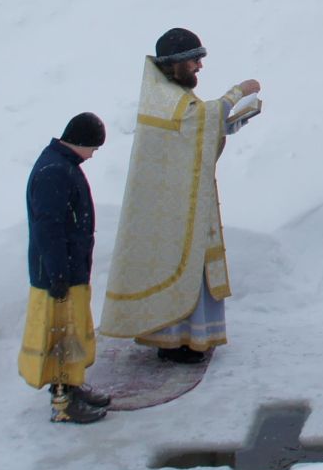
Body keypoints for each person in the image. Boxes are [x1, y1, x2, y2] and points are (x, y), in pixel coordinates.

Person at [100, 29, 261, 364]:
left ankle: (191, 337)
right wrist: (237, 93)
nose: (199, 66)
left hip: (183, 200)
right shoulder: (164, 97)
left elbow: (195, 131)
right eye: (194, 59)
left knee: (191, 264)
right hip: (168, 208)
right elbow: (197, 121)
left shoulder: (171, 93)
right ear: (174, 63)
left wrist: (231, 122)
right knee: (178, 263)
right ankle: (175, 340)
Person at [18, 113, 112, 425]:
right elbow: (49, 229)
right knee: (60, 336)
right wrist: (58, 273)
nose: (93, 155)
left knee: (72, 332)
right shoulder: (54, 172)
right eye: (93, 149)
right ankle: (63, 402)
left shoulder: (61, 164)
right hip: (58, 275)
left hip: (70, 269)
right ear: (81, 142)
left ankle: (73, 385)